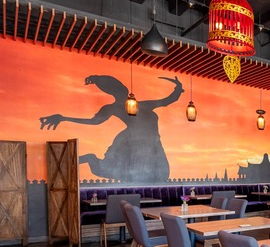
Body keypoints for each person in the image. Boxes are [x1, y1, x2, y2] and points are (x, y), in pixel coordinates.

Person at [39, 75, 183, 183]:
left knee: (159, 176)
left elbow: (167, 101)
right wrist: (63, 118)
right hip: (136, 144)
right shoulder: (115, 108)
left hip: (152, 144)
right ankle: (65, 163)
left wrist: (178, 89)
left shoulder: (140, 105)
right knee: (142, 177)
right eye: (120, 93)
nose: (124, 96)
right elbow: (93, 122)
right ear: (114, 93)